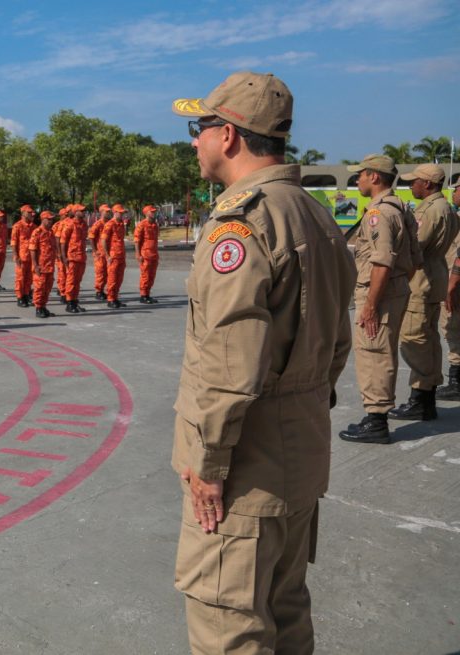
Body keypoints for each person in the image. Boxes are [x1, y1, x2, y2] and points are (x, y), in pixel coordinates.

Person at [170, 71, 355, 654]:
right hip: (299, 449)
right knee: (286, 607)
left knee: (230, 625)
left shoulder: (242, 222)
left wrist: (209, 461)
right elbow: (337, 344)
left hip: (245, 467)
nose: (194, 142)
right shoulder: (315, 214)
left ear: (228, 135)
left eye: (198, 129)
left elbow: (229, 364)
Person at [338, 154, 422, 444]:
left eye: (360, 174)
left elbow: (382, 261)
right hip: (392, 290)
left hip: (379, 294)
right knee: (380, 351)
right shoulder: (399, 207)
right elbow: (413, 261)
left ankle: (376, 420)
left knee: (374, 354)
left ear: (374, 177)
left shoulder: (380, 213)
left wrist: (372, 304)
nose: (357, 179)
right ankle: (376, 415)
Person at [389, 164, 459, 418]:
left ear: (427, 184)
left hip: (421, 278)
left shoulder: (429, 210)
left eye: (415, 181)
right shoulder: (446, 207)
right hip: (435, 275)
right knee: (428, 340)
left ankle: (420, 397)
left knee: (413, 339)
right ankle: (426, 396)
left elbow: (414, 245)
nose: (411, 185)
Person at [439, 183, 460, 399]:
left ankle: (456, 381)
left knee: (452, 329)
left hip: (457, 284)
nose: (453, 193)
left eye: (457, 189)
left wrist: (451, 285)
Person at [58, 203, 89, 313]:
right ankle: (69, 303)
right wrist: (64, 256)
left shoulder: (84, 225)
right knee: (71, 281)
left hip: (81, 257)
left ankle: (75, 302)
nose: (84, 212)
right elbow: (63, 242)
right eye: (81, 210)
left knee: (77, 281)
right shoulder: (70, 224)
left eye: (84, 210)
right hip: (72, 258)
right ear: (76, 212)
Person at [28, 210, 58, 318]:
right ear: (43, 219)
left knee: (48, 288)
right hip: (41, 266)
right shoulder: (37, 232)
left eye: (52, 219)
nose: (51, 221)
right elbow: (32, 249)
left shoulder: (51, 233)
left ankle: (43, 306)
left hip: (49, 266)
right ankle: (38, 308)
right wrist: (35, 265)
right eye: (49, 219)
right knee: (40, 288)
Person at [101, 203, 128, 308]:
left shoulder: (121, 224)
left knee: (119, 279)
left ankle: (115, 298)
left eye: (123, 213)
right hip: (113, 256)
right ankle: (110, 299)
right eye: (120, 213)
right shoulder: (109, 224)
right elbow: (103, 240)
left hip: (121, 255)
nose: (122, 215)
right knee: (112, 279)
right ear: (115, 212)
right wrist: (107, 256)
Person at [12, 204, 37, 307]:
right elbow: (14, 243)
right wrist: (16, 256)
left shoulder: (34, 226)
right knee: (20, 278)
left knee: (29, 278)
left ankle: (26, 295)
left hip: (31, 257)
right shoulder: (17, 226)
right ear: (23, 213)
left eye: (32, 212)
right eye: (29, 212)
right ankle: (20, 297)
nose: (31, 214)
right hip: (21, 257)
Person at [134, 205, 161, 303]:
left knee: (152, 276)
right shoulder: (141, 225)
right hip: (145, 255)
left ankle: (148, 294)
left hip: (154, 254)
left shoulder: (155, 225)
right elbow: (136, 241)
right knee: (145, 275)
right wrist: (138, 255)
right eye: (152, 212)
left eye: (154, 212)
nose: (154, 213)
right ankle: (143, 295)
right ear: (146, 213)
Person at [89, 204, 111, 300]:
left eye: (109, 211)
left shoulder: (110, 223)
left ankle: (102, 290)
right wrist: (95, 251)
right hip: (100, 253)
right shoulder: (98, 224)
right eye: (106, 211)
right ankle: (99, 292)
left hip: (108, 252)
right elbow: (91, 237)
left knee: (107, 273)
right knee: (100, 272)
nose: (108, 213)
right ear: (101, 212)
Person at [53, 206, 70, 302]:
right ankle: (62, 290)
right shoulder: (57, 225)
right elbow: (55, 239)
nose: (67, 216)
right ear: (61, 215)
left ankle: (65, 290)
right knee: (62, 272)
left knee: (66, 273)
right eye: (65, 214)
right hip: (59, 252)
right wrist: (58, 252)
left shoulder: (68, 223)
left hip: (68, 252)